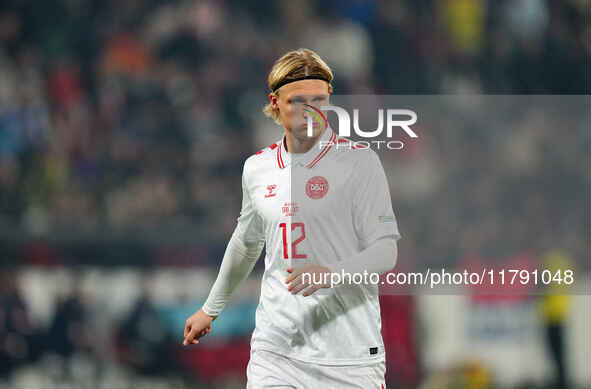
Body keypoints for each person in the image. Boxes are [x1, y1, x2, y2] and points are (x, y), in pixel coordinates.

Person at [183, 48, 400, 388]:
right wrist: (210, 309)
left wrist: (330, 273)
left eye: (319, 99)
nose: (311, 110)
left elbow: (386, 251)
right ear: (276, 102)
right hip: (277, 350)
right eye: (298, 100)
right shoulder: (257, 169)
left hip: (349, 355)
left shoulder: (360, 164)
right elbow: (246, 242)